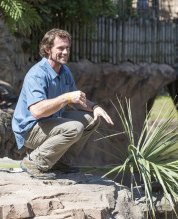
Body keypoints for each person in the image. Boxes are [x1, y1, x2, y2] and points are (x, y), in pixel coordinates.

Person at [12, 28, 114, 180]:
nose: (65, 52)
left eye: (67, 48)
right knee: (75, 128)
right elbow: (37, 111)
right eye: (60, 48)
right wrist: (66, 97)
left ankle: (62, 162)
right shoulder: (37, 74)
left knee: (91, 119)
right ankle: (34, 162)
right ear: (47, 49)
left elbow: (77, 102)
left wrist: (95, 107)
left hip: (50, 122)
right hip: (30, 129)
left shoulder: (64, 71)